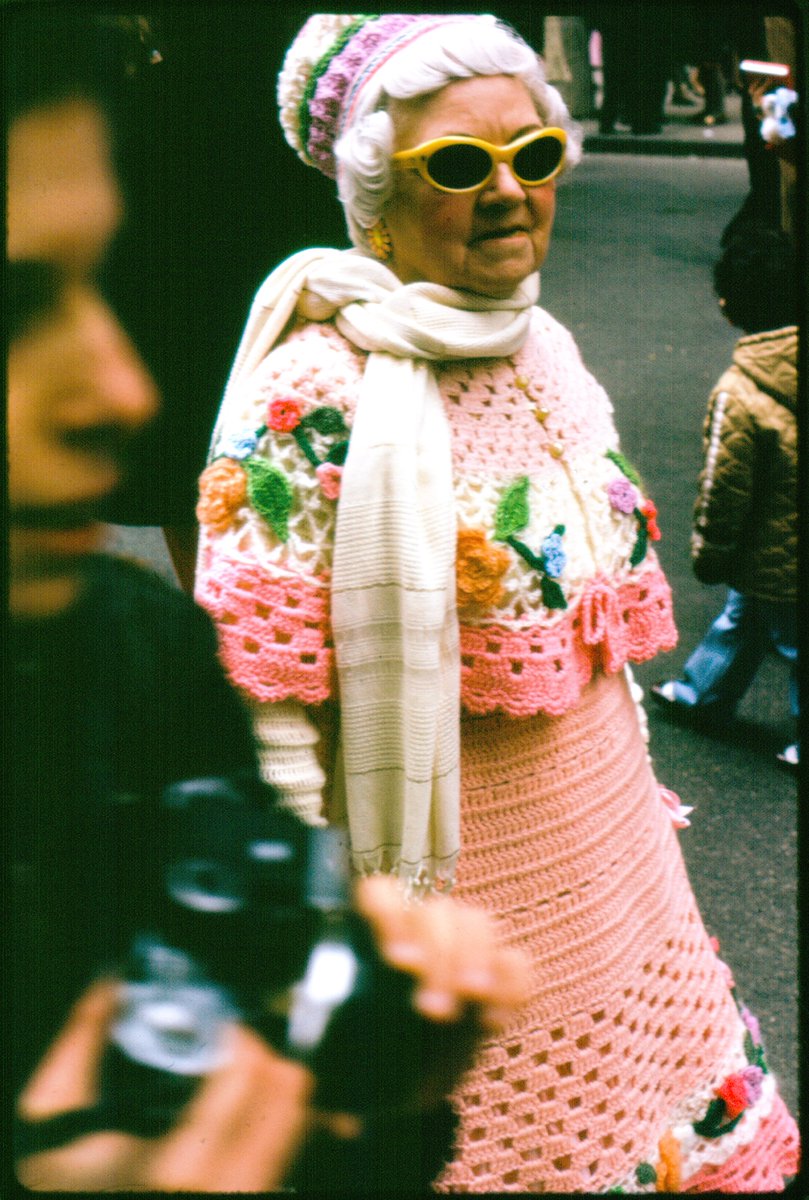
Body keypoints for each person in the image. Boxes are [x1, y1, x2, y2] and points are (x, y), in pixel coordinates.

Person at [193, 12, 799, 1192]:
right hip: (460, 933)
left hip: (618, 878)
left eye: (533, 156)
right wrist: (337, 951)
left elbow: (598, 650)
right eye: (458, 167)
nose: (508, 191)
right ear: (373, 195)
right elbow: (265, 715)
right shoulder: (315, 390)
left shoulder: (545, 348)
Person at [6, 10, 528, 1191]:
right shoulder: (307, 396)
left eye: (95, 282)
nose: (121, 392)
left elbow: (283, 1055)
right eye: (12, 307)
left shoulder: (130, 655)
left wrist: (377, 1069)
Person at [651, 225, 798, 771]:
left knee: (770, 628)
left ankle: (702, 696)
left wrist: (711, 552)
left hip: (769, 552)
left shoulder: (740, 391)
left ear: (728, 306)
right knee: (747, 621)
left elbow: (724, 487)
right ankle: (701, 693)